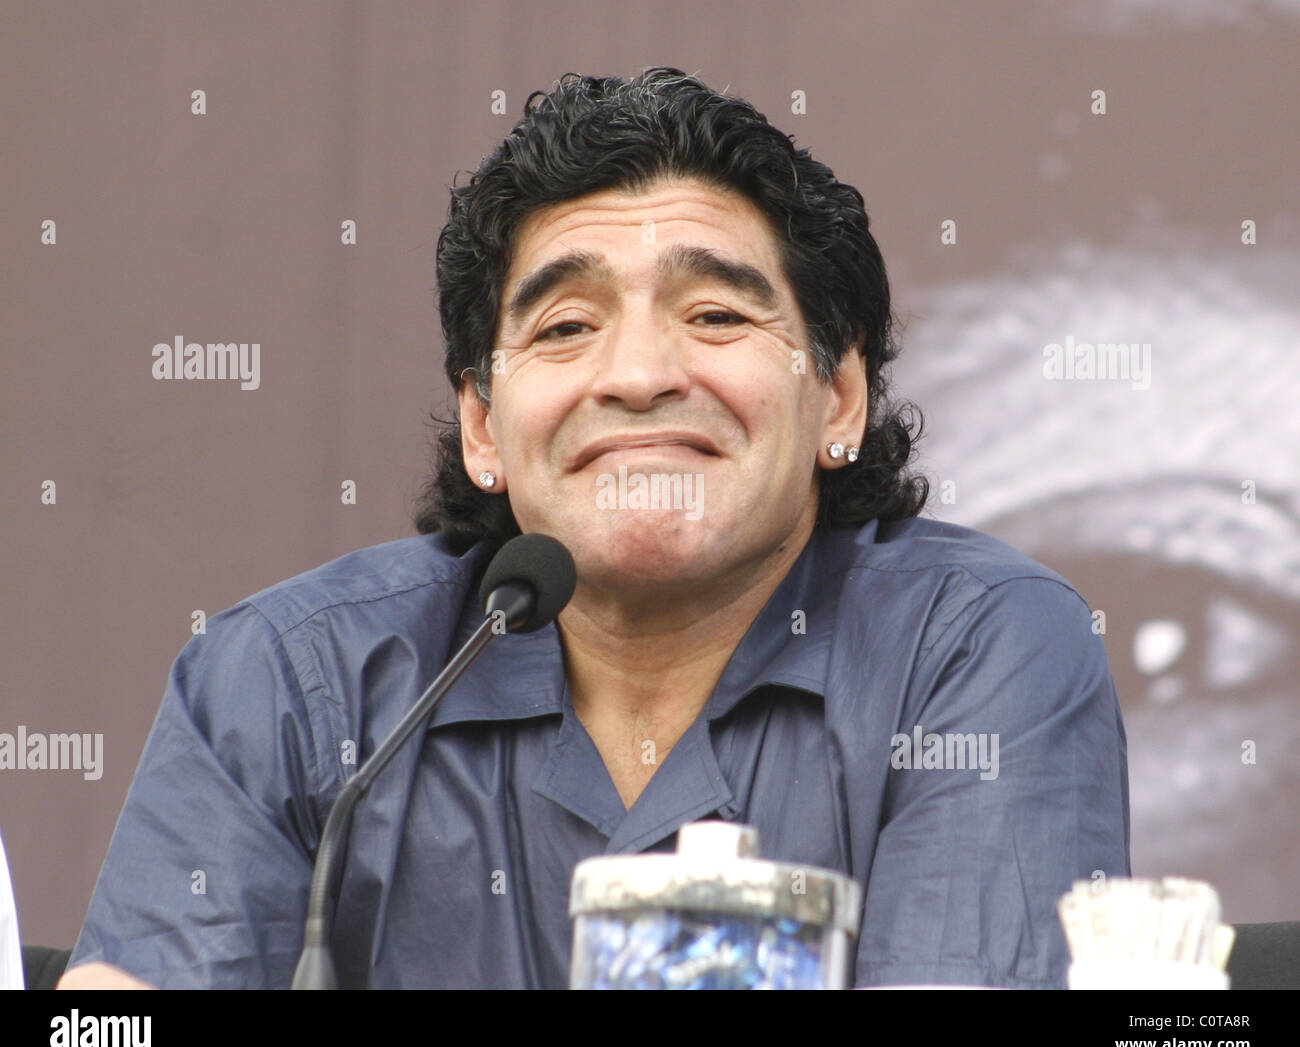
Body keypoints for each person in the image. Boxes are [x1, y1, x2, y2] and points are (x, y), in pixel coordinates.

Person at [61, 67, 1129, 989]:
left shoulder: (978, 647)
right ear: (484, 424)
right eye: (566, 326)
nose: (636, 376)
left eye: (714, 314)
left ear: (837, 398)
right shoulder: (290, 681)